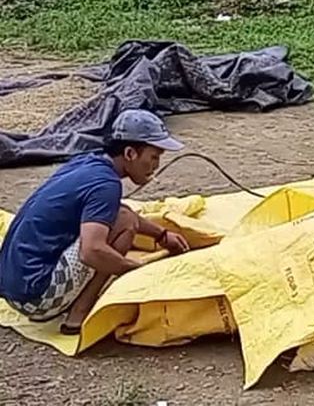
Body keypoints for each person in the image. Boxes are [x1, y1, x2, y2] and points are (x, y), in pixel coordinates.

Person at [0, 109, 190, 334]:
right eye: (153, 157)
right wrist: (136, 270)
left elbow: (115, 211)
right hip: (38, 297)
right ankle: (78, 314)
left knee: (122, 214)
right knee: (124, 223)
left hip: (14, 288)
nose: (156, 166)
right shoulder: (106, 185)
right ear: (130, 153)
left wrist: (161, 234)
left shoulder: (89, 164)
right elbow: (91, 251)